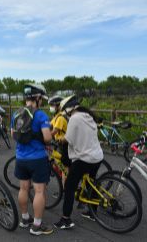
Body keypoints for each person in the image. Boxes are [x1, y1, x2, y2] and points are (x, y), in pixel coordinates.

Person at [54, 95, 104, 230]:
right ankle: (92, 212)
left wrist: (60, 140)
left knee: (69, 187)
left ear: (67, 109)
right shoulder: (88, 116)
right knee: (91, 182)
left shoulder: (74, 119)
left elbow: (68, 139)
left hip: (83, 158)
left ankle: (66, 219)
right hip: (97, 156)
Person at [11, 84, 53, 236]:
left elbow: (13, 135)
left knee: (23, 188)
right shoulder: (41, 115)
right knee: (39, 191)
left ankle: (24, 219)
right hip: (37, 158)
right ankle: (36, 225)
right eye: (41, 98)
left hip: (21, 158)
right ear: (38, 98)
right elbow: (47, 138)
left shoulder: (16, 113)